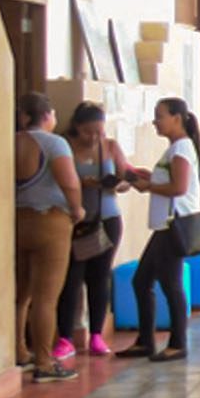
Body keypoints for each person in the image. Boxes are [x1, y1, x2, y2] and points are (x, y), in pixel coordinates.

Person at [121, 97, 200, 362]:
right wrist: (148, 177)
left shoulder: (181, 148)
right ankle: (146, 340)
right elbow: (170, 179)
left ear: (177, 118)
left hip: (172, 224)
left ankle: (178, 343)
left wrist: (149, 187)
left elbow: (179, 187)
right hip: (164, 225)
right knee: (142, 280)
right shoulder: (176, 148)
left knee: (170, 284)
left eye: (160, 116)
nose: (156, 122)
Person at [15, 93, 83, 382]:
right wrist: (77, 208)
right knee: (45, 298)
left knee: (20, 296)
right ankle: (44, 361)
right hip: (50, 220)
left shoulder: (11, 141)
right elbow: (68, 180)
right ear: (48, 115)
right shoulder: (54, 143)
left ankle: (19, 351)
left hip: (17, 221)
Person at [55, 102, 132, 358]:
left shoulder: (110, 147)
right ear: (77, 127)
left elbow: (126, 179)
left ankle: (96, 334)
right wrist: (81, 183)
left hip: (106, 219)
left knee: (99, 277)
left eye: (99, 131)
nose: (94, 137)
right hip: (75, 222)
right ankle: (65, 337)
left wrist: (115, 183)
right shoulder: (65, 146)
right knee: (71, 280)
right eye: (89, 131)